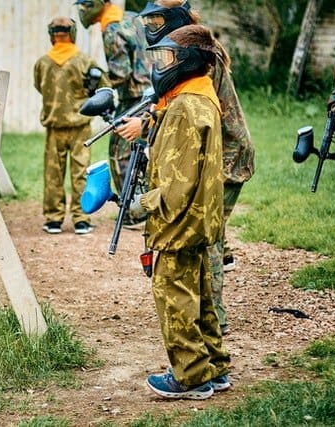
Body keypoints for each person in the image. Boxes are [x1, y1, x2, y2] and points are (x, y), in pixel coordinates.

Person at [116, 0, 256, 334]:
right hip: (209, 152)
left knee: (205, 241)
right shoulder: (183, 47)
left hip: (224, 158)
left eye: (158, 18)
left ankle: (212, 324)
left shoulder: (200, 53)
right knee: (205, 237)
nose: (153, 25)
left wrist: (146, 125)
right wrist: (147, 120)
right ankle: (206, 317)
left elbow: (191, 109)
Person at [125, 24, 231, 400]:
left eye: (167, 58)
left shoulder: (186, 107)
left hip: (180, 220)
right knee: (200, 290)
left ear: (186, 62)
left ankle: (190, 375)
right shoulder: (201, 98)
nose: (161, 66)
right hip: (201, 217)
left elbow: (177, 181)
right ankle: (214, 367)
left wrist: (143, 204)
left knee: (174, 292)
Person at [74, 0, 151, 228]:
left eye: (85, 4)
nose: (82, 10)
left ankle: (135, 212)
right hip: (152, 95)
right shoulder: (132, 18)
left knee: (120, 153)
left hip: (134, 99)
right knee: (146, 151)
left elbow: (121, 74)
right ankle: (147, 203)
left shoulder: (112, 29)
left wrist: (97, 84)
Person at [34, 16, 110, 235]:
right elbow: (103, 89)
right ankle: (81, 219)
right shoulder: (85, 61)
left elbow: (39, 86)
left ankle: (53, 220)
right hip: (80, 127)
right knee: (80, 173)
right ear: (73, 34)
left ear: (52, 35)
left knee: (53, 174)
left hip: (54, 126)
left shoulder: (42, 62)